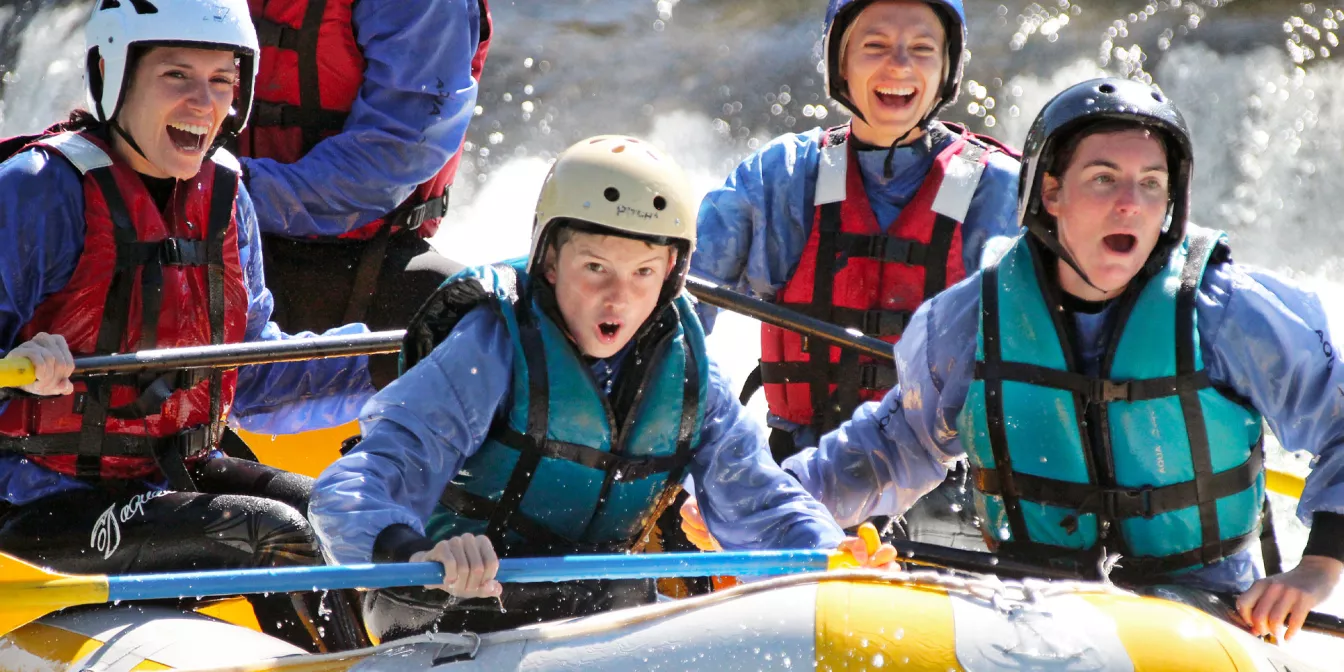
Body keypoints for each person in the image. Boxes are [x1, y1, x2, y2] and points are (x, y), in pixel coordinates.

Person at [741, 77, 1343, 643]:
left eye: (1151, 183)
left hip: (1203, 607)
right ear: (1051, 192)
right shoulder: (970, 320)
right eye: (1104, 179)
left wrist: (1315, 569)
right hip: (1029, 605)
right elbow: (889, 447)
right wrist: (765, 508)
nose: (1131, 204)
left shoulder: (1227, 311)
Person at [309, 135, 895, 642]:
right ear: (548, 262)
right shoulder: (489, 346)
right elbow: (349, 488)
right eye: (595, 268)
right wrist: (413, 553)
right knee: (605, 592)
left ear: (671, 273)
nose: (619, 298)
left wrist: (829, 555)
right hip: (447, 604)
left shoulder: (692, 370)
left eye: (643, 273)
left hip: (595, 609)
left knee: (620, 587)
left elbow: (764, 505)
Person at [0, 0, 374, 652]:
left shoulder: (227, 194)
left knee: (339, 517)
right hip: (31, 508)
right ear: (112, 75)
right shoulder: (32, 190)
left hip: (165, 477)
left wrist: (403, 357)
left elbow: (252, 376)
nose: (206, 104)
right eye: (177, 76)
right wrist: (16, 359)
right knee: (269, 534)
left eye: (223, 81)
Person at [691, 0, 1020, 461]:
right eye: (875, 44)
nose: (899, 64)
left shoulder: (997, 192)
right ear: (838, 63)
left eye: (923, 48)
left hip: (948, 486)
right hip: (800, 475)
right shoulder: (782, 178)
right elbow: (672, 323)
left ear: (949, 67)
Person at [236, 0, 491, 388]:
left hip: (366, 258)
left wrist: (231, 195)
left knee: (468, 319)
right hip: (219, 242)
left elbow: (396, 151)